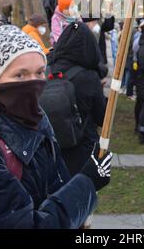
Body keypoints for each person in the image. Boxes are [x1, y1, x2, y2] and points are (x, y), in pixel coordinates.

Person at [0, 25, 112, 229]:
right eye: (20, 75)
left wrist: (78, 200)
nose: (32, 83)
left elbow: (56, 181)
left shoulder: (37, 117)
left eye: (39, 72)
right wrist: (87, 183)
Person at [48, 22, 107, 175]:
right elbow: (102, 118)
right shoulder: (89, 77)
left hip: (49, 148)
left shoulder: (45, 70)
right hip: (82, 147)